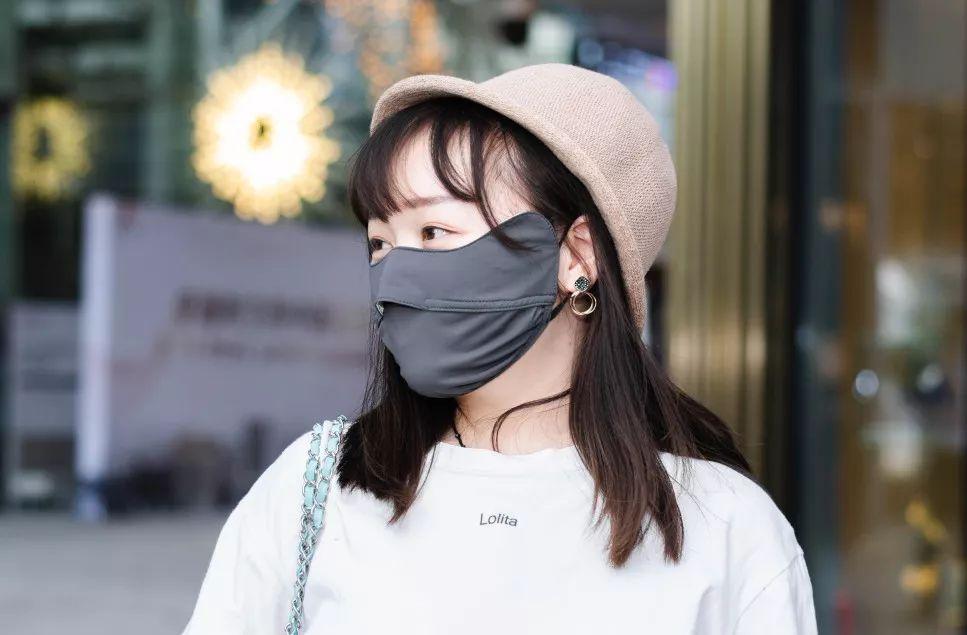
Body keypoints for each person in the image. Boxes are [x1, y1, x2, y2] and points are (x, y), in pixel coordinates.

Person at [183, 63, 817, 634]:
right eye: (380, 242)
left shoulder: (724, 526)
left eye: (435, 230)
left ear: (577, 256)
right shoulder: (316, 487)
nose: (396, 275)